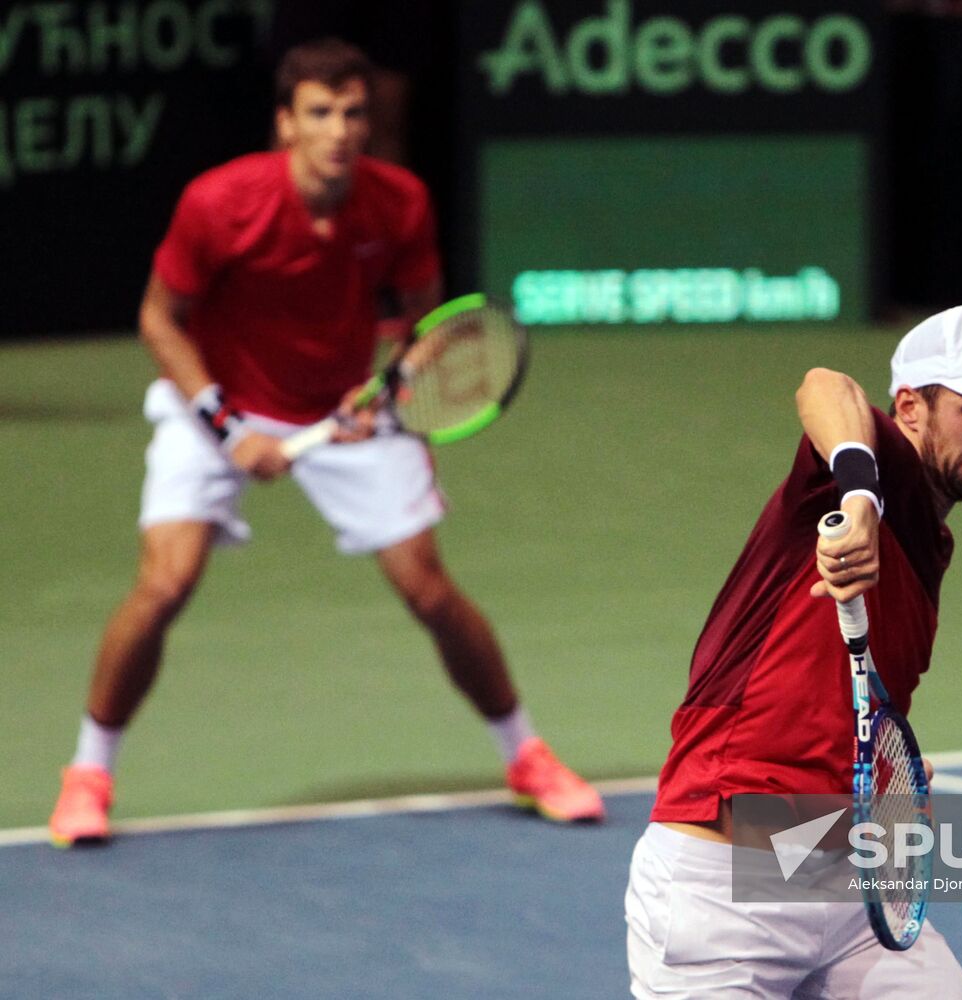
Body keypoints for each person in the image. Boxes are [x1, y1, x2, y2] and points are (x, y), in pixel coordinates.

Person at [48, 38, 604, 847]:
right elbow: (157, 321)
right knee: (165, 584)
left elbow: (426, 329)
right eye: (320, 113)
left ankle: (526, 757)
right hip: (216, 404)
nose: (341, 130)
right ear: (285, 124)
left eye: (353, 113)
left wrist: (385, 388)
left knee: (429, 590)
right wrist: (227, 426)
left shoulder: (400, 201)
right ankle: (88, 773)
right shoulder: (220, 202)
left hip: (345, 416)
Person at [624, 305, 962, 997]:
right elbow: (824, 386)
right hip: (721, 895)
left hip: (849, 892)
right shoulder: (857, 477)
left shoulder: (931, 549)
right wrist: (860, 494)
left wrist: (891, 798)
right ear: (910, 407)